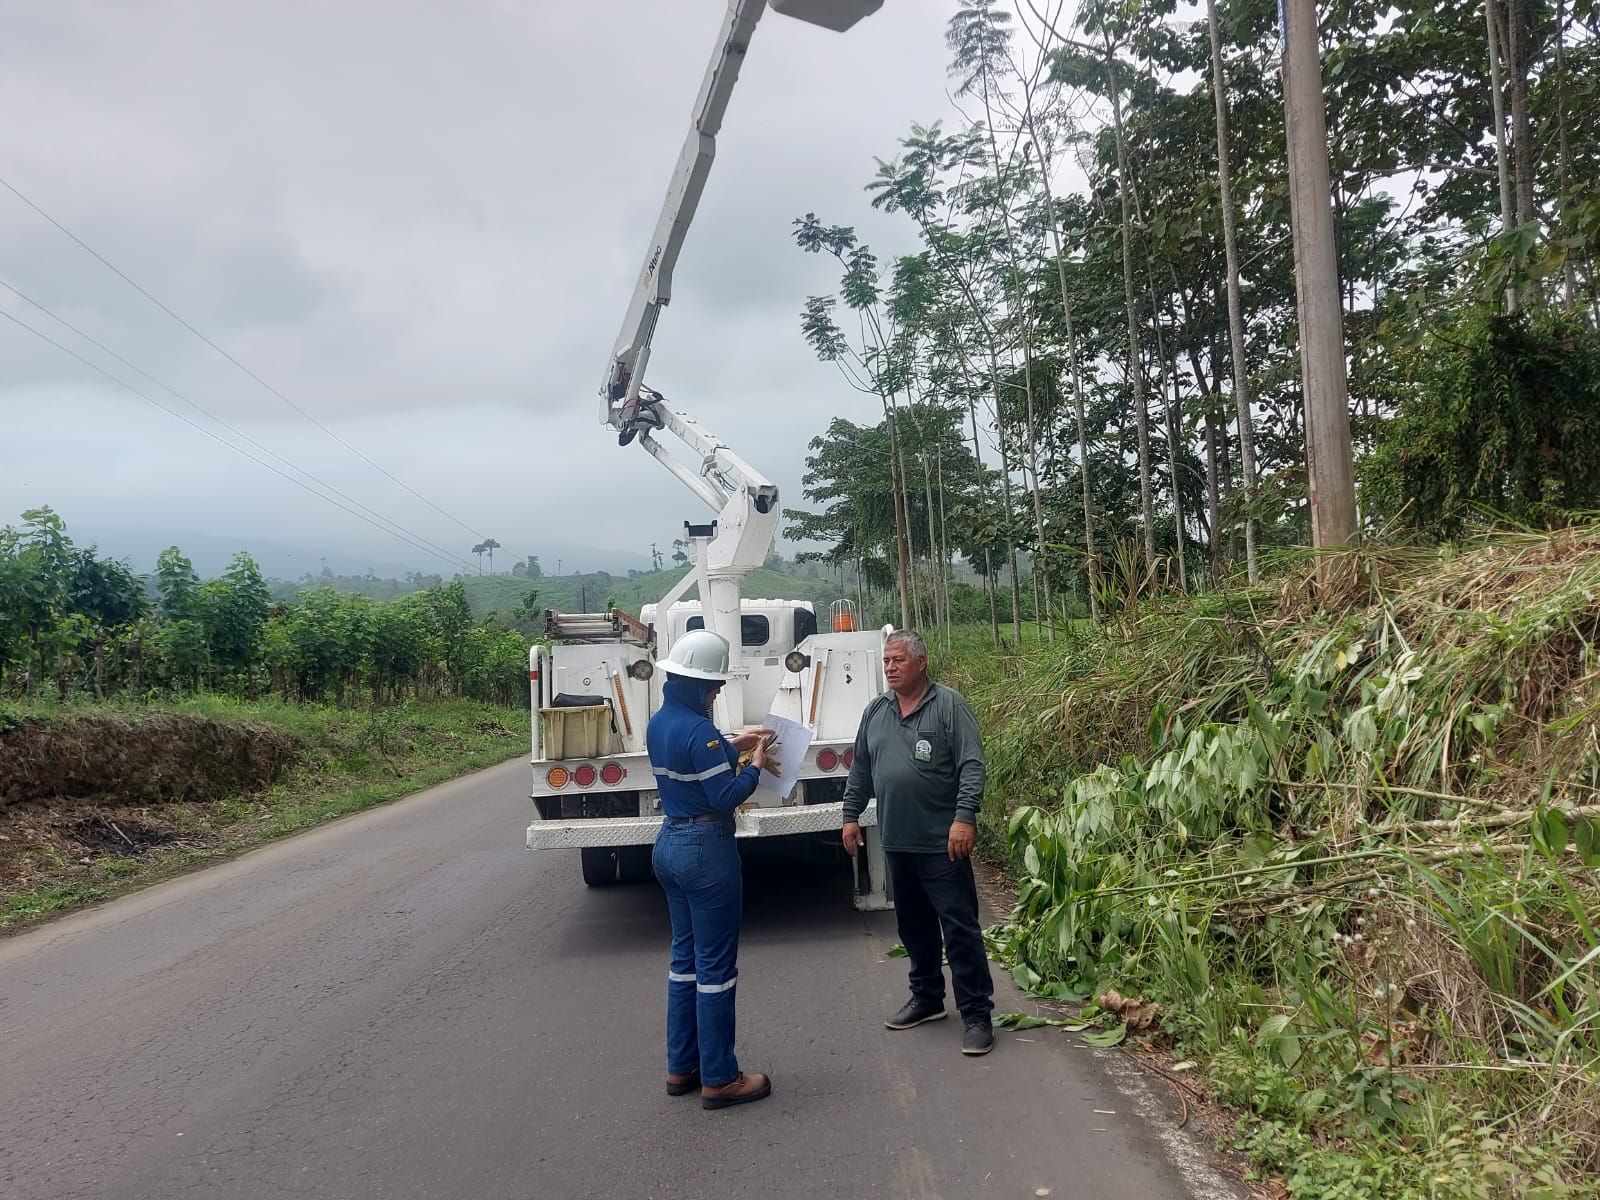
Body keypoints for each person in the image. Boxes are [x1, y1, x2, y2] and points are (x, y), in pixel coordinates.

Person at [840, 629, 995, 1056]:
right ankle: (927, 998)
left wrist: (964, 818)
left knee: (959, 928)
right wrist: (850, 816)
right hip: (897, 839)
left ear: (921, 663)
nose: (890, 668)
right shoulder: (877, 711)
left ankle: (977, 1013)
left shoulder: (949, 705)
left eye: (899, 660)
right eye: (886, 661)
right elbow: (861, 769)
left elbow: (972, 764)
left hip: (942, 842)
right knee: (913, 926)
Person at [647, 628, 776, 1109]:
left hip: (669, 842)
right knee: (716, 969)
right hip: (705, 849)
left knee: (684, 963)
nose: (718, 692)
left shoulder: (660, 722)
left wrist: (737, 742)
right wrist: (755, 764)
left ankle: (681, 1066)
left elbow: (696, 757)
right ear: (697, 685)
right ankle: (720, 1078)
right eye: (714, 686)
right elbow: (725, 796)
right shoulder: (699, 731)